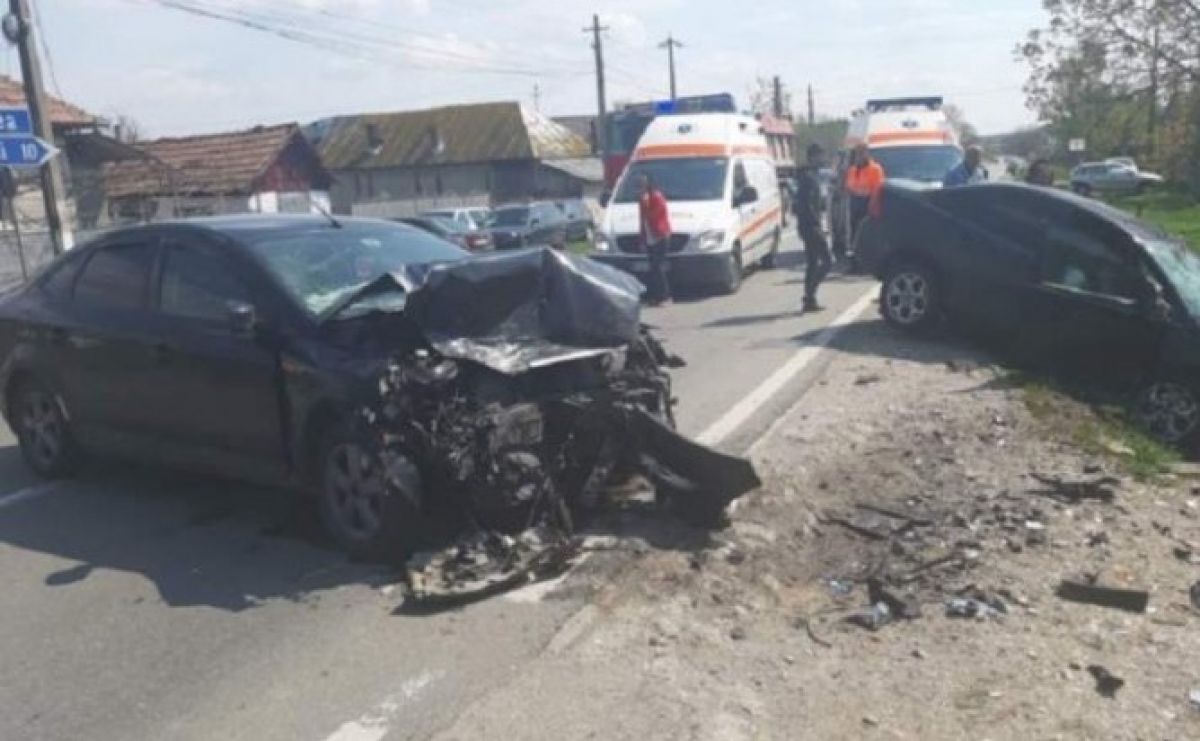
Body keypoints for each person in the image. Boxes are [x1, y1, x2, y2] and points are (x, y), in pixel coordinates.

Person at [793, 143, 833, 313]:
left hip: (808, 225)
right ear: (812, 157)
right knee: (828, 261)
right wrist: (817, 225)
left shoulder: (811, 176)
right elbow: (807, 206)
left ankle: (809, 299)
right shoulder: (808, 178)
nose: (822, 159)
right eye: (819, 156)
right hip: (811, 226)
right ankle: (809, 295)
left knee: (812, 263)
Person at [638, 174, 673, 306]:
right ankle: (655, 297)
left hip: (660, 236)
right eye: (639, 183)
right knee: (652, 269)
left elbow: (655, 215)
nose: (641, 185)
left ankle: (666, 296)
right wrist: (642, 239)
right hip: (649, 237)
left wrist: (646, 203)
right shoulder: (642, 198)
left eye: (643, 182)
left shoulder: (656, 197)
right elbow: (642, 220)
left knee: (658, 267)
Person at [844, 143, 885, 258]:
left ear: (867, 153)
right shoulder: (853, 170)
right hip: (855, 204)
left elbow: (878, 188)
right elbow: (848, 186)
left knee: (868, 235)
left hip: (869, 205)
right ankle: (855, 259)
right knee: (854, 234)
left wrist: (872, 206)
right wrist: (855, 191)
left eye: (862, 153)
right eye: (857, 154)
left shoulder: (875, 169)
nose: (859, 156)